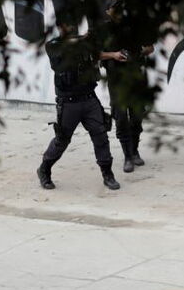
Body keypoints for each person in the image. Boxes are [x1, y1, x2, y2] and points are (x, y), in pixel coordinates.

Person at [37, 17, 121, 191]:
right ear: (60, 27)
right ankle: (44, 169)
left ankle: (108, 174)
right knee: (62, 140)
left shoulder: (84, 43)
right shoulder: (53, 45)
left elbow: (96, 54)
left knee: (101, 136)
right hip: (69, 103)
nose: (71, 26)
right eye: (68, 24)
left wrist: (111, 52)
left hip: (89, 99)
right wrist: (85, 39)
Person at [100, 0, 155, 173]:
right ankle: (128, 156)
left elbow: (150, 47)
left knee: (137, 116)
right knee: (121, 118)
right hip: (116, 80)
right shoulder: (103, 29)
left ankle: (135, 150)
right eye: (114, 8)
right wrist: (114, 55)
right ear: (108, 11)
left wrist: (137, 53)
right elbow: (94, 53)